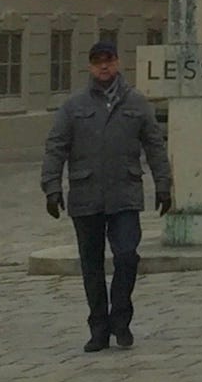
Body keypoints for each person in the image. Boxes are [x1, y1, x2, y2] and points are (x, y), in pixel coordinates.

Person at [41, 41, 173, 353]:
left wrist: (163, 184)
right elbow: (56, 146)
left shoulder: (136, 102)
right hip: (86, 194)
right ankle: (98, 327)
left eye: (109, 60)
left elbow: (155, 145)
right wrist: (51, 187)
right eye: (97, 61)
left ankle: (121, 317)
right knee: (91, 264)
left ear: (117, 63)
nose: (104, 66)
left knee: (126, 255)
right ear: (90, 65)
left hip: (124, 193)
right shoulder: (73, 106)